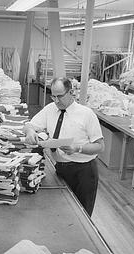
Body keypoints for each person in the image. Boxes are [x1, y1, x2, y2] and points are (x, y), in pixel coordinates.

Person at [23, 77, 104, 216]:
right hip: (61, 168)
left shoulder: (86, 114)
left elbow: (100, 146)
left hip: (83, 172)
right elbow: (29, 124)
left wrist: (77, 148)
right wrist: (30, 132)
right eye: (53, 96)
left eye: (59, 96)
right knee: (63, 211)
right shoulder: (50, 109)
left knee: (82, 215)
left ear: (71, 92)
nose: (56, 100)